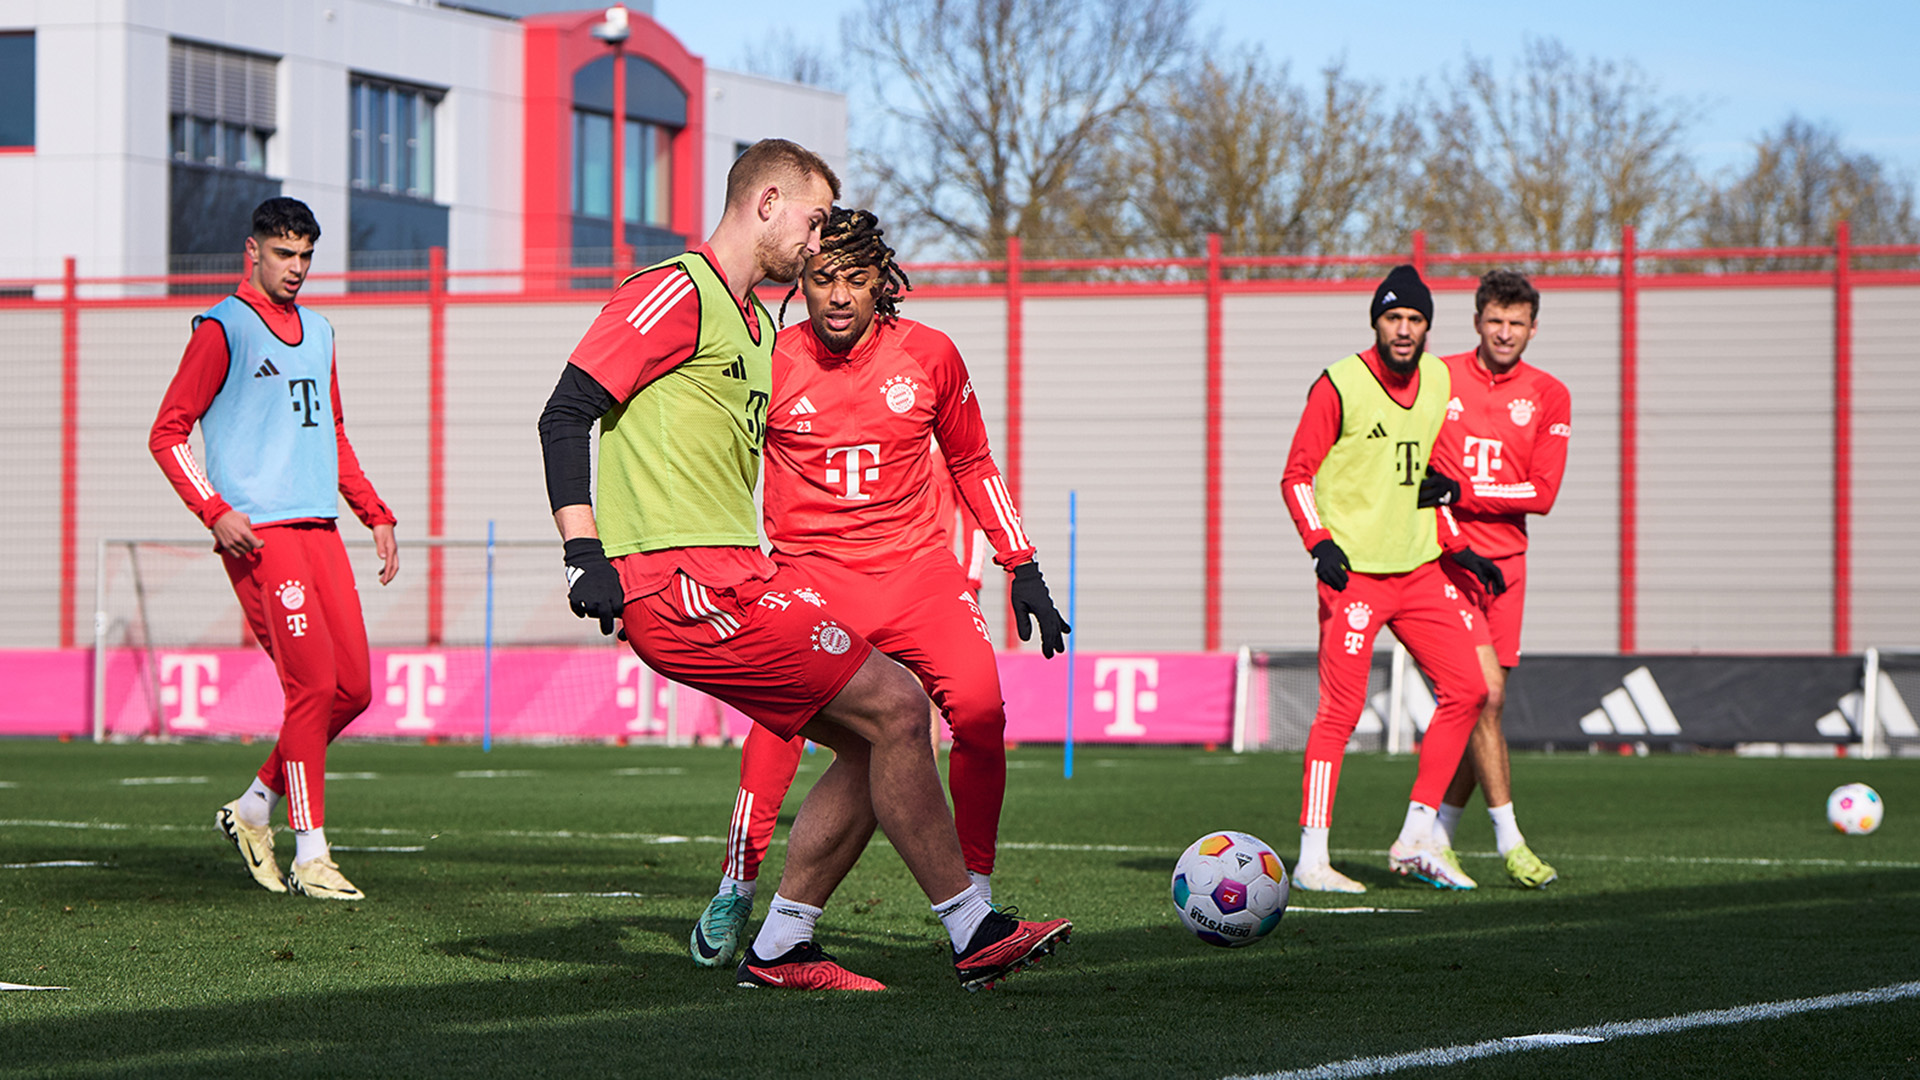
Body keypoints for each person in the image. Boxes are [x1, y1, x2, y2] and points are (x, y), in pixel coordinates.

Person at [536, 140, 1070, 992]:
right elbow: (566, 411)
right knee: (896, 708)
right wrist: (582, 549)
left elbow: (970, 461)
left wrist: (1021, 562)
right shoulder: (677, 288)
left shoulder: (752, 324)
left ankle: (784, 944)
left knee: (882, 735)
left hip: (748, 576)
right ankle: (972, 929)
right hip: (682, 583)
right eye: (814, 223)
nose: (819, 250)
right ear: (770, 200)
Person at [686, 207, 1069, 969]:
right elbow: (715, 468)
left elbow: (972, 463)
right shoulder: (766, 357)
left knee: (983, 713)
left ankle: (978, 901)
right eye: (823, 278)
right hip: (810, 579)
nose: (837, 296)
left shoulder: (931, 355)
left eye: (855, 281)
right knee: (776, 727)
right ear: (802, 279)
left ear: (880, 286)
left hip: (919, 577)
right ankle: (736, 882)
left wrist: (1021, 564)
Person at [149, 196, 400, 902]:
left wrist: (374, 512)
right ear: (251, 251)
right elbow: (168, 433)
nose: (295, 267)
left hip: (322, 529)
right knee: (312, 687)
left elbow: (333, 432)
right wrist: (213, 509)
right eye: (283, 253)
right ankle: (311, 853)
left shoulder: (319, 331)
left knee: (353, 690)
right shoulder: (221, 328)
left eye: (305, 255)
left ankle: (256, 808)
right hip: (262, 537)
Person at [1278, 264, 1505, 893]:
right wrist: (1319, 542)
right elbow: (1296, 476)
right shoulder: (1339, 385)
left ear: (1428, 326)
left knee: (1468, 690)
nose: (1403, 330)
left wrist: (1459, 545)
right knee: (1340, 715)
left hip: (1421, 569)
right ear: (1376, 322)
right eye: (1393, 318)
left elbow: (1429, 473)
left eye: (1414, 319)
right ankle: (1313, 859)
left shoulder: (1436, 379)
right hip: (1354, 575)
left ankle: (1415, 837)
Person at [1417, 269, 1569, 888]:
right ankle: (1510, 839)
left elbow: (1543, 492)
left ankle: (1435, 838)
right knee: (1484, 697)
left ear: (1533, 328)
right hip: (1444, 559)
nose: (1505, 333)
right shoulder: (1440, 376)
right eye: (1495, 321)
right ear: (1477, 321)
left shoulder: (1550, 394)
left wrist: (1466, 489)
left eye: (1517, 323)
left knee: (1484, 705)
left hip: (1506, 567)